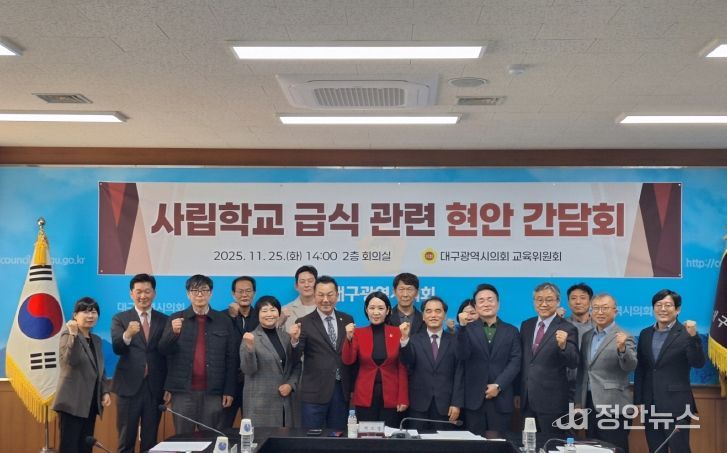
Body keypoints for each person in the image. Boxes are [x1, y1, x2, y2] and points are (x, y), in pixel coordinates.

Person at [158, 274, 238, 433]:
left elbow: (232, 358)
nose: (199, 294)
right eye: (195, 290)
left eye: (204, 290)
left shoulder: (224, 320)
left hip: (213, 392)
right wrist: (173, 333)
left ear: (211, 293)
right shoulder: (176, 318)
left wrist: (229, 390)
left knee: (210, 438)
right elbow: (163, 351)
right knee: (183, 438)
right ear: (188, 294)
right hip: (183, 392)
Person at [634, 289, 706, 453]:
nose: (663, 309)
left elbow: (698, 363)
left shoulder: (686, 333)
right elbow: (641, 369)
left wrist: (694, 337)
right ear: (653, 308)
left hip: (677, 405)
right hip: (650, 405)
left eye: (668, 305)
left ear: (678, 309)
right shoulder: (645, 334)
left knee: (680, 449)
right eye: (658, 305)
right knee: (656, 449)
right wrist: (639, 401)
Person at [111, 274, 169, 453]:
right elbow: (117, 348)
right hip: (129, 388)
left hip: (154, 388)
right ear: (131, 294)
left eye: (147, 291)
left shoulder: (164, 319)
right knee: (126, 440)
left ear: (154, 293)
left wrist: (168, 387)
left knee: (150, 441)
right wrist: (127, 334)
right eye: (139, 292)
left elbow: (168, 355)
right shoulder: (120, 318)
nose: (143, 296)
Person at [289, 275, 354, 430]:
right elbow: (294, 358)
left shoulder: (347, 319)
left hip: (341, 390)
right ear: (314, 295)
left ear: (337, 295)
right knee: (311, 437)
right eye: (321, 295)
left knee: (338, 437)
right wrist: (294, 341)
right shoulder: (304, 322)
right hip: (314, 392)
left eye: (330, 295)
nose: (325, 300)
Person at [574, 293, 637, 453]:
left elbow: (630, 366)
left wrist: (622, 348)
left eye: (605, 308)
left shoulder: (624, 335)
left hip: (613, 404)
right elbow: (583, 371)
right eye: (596, 308)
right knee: (592, 448)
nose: (600, 312)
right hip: (589, 403)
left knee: (615, 448)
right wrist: (578, 402)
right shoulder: (587, 336)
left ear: (615, 311)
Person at [456, 284, 521, 434]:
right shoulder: (467, 330)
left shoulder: (511, 331)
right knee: (475, 443)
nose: (486, 304)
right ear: (475, 306)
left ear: (498, 304)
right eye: (481, 300)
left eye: (490, 300)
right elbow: (461, 355)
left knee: (499, 442)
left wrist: (498, 385)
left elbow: (515, 361)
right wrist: (462, 329)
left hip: (501, 397)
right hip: (474, 400)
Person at [519, 282, 579, 433]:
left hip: (552, 402)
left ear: (558, 302)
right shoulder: (526, 325)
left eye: (549, 299)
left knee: (551, 442)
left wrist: (564, 346)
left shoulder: (567, 328)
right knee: (529, 442)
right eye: (539, 299)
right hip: (527, 399)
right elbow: (525, 361)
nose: (544, 304)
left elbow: (573, 362)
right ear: (534, 302)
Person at [53, 297, 111, 453]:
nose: (90, 316)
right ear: (75, 315)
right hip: (72, 402)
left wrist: (104, 391)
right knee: (69, 447)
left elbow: (100, 368)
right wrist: (73, 335)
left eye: (94, 312)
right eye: (85, 312)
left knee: (85, 447)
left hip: (90, 403)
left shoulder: (96, 340)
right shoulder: (67, 335)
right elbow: (70, 361)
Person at [341, 291, 408, 426]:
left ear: (387, 310)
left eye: (380, 308)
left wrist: (403, 397)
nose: (376, 312)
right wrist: (348, 338)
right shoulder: (358, 333)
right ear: (366, 310)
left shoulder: (397, 333)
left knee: (390, 434)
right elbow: (348, 360)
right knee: (366, 435)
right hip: (364, 395)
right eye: (371, 308)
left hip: (392, 395)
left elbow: (402, 367)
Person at [399, 296, 464, 431]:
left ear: (444, 315)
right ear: (423, 316)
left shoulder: (455, 341)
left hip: (446, 406)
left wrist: (456, 403)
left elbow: (459, 373)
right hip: (418, 404)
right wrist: (404, 339)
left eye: (438, 311)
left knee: (443, 442)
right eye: (428, 311)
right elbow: (407, 361)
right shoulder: (414, 340)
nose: (433, 315)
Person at [240, 296, 300, 427]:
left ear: (278, 313)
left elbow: (296, 365)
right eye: (264, 311)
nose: (269, 314)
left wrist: (290, 385)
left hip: (285, 404)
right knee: (262, 439)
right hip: (260, 404)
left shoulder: (286, 337)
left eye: (273, 310)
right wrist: (249, 349)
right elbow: (248, 370)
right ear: (258, 314)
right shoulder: (250, 337)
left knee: (284, 438)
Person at [223, 276, 259, 428]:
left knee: (252, 431)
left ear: (254, 293)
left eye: (248, 291)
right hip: (228, 384)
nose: (244, 295)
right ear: (233, 294)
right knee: (222, 430)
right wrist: (233, 317)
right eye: (240, 291)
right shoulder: (222, 317)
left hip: (254, 382)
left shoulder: (262, 317)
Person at [280, 265, 318, 330]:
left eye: (310, 281)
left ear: (317, 284)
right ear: (296, 286)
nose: (306, 285)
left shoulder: (327, 308)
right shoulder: (285, 310)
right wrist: (280, 322)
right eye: (302, 282)